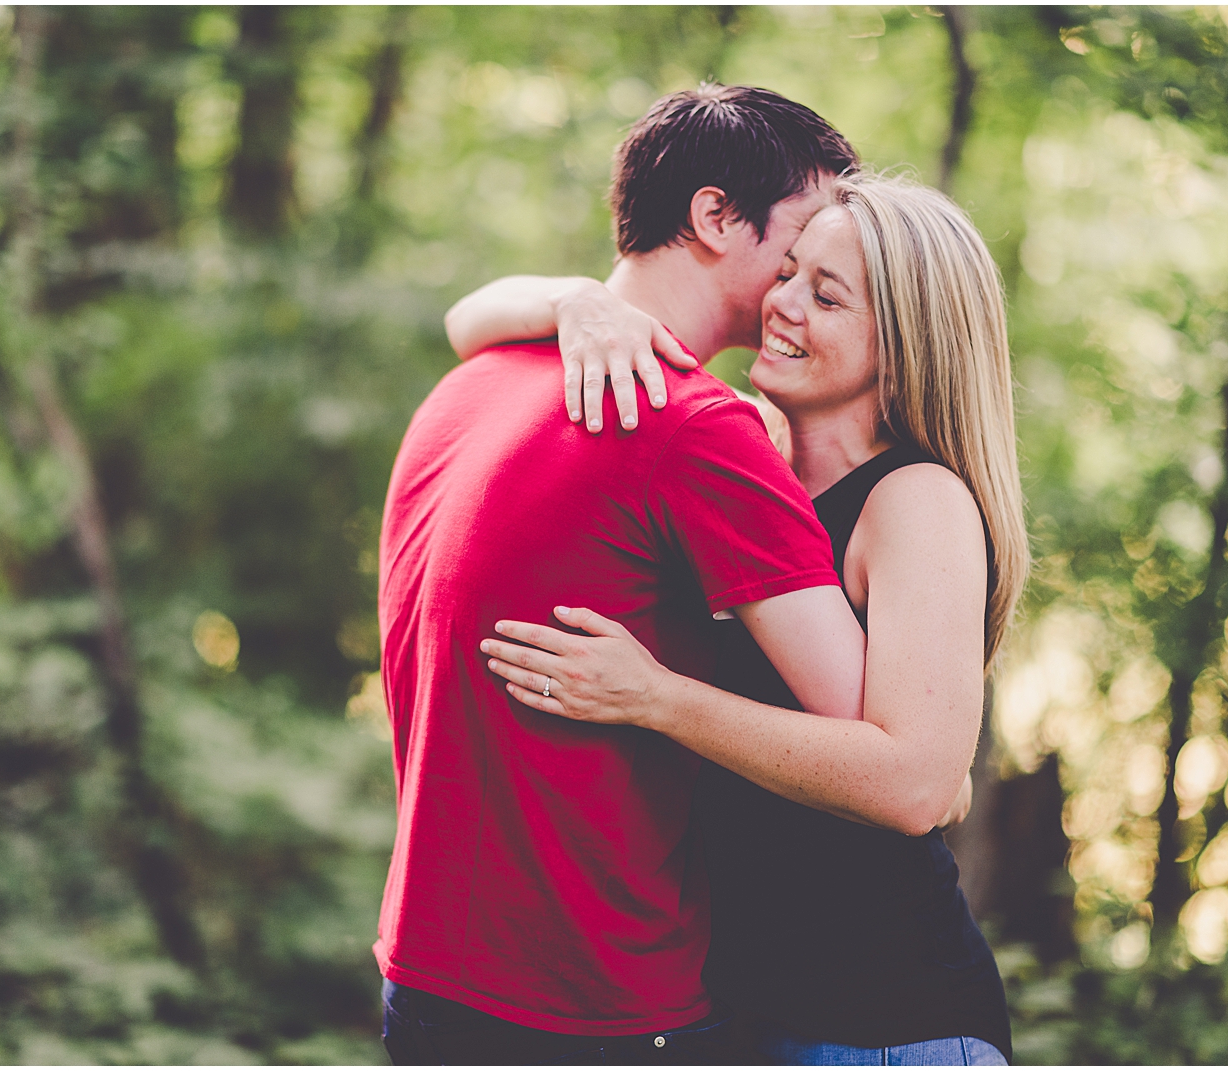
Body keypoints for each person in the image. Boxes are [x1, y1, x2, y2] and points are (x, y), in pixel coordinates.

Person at [463, 172, 1028, 1065]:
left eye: (827, 294)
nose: (783, 303)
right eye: (789, 271)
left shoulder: (915, 500)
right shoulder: (741, 460)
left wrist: (656, 699)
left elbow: (921, 787)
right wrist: (577, 301)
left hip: (885, 1027)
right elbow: (467, 319)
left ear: (908, 341)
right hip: (739, 1019)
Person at [374, 85, 875, 1065]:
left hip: (426, 983)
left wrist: (566, 298)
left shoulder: (473, 380)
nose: (814, 266)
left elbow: (463, 317)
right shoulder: (694, 427)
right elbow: (864, 721)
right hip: (597, 1007)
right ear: (715, 216)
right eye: (807, 233)